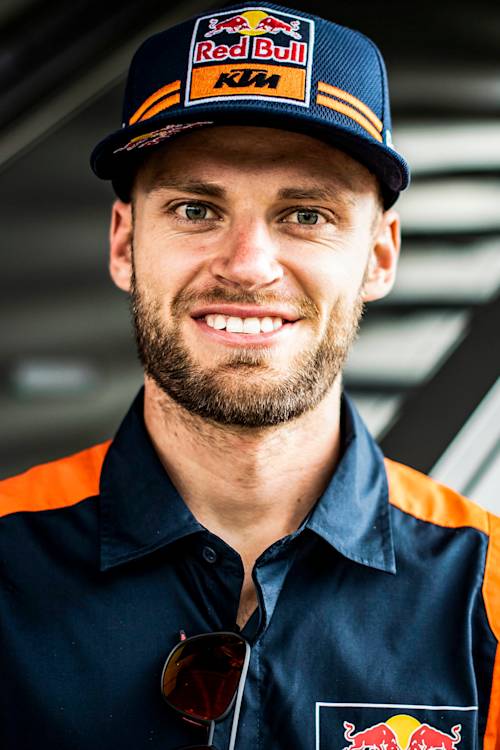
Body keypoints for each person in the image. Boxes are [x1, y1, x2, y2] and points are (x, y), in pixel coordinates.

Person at [1, 4, 498, 750]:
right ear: (124, 241)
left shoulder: (488, 592)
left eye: (306, 214)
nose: (247, 265)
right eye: (197, 208)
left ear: (380, 257)